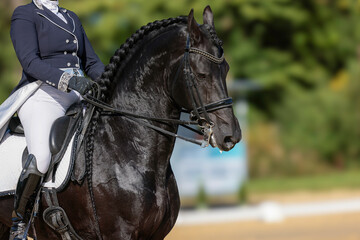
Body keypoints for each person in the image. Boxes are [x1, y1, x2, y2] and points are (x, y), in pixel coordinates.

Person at [8, 0, 105, 239]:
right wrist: (69, 80)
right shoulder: (25, 14)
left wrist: (110, 83)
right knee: (40, 157)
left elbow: (90, 62)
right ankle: (19, 222)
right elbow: (30, 62)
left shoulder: (70, 17)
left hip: (77, 93)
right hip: (43, 95)